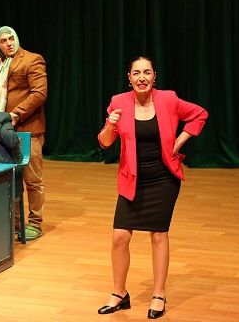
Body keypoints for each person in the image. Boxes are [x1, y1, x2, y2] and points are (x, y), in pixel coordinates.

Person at [96, 56, 208, 319]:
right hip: (132, 178)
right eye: (136, 73)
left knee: (158, 235)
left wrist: (179, 142)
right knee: (119, 236)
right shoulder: (118, 102)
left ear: (154, 76)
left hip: (163, 179)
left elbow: (199, 114)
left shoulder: (168, 99)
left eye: (147, 72)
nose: (142, 78)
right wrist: (111, 124)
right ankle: (119, 293)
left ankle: (159, 294)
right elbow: (105, 142)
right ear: (129, 78)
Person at [0, 26, 48, 240]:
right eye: (3, 41)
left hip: (27, 129)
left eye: (11, 38)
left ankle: (35, 222)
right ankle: (15, 223)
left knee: (32, 180)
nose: (9, 43)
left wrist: (16, 114)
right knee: (8, 178)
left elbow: (39, 93)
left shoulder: (32, 59)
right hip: (2, 130)